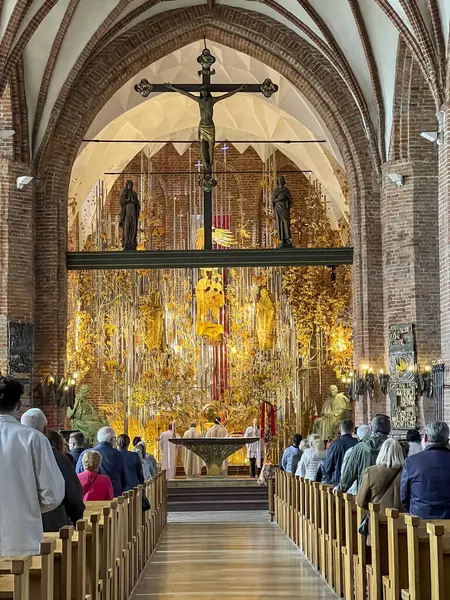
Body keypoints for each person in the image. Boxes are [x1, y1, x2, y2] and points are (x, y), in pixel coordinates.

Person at [0, 377, 65, 555]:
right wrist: (27, 504)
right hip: (21, 540)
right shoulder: (33, 438)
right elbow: (52, 495)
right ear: (19, 405)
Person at [21, 410, 84, 533]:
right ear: (45, 429)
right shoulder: (59, 458)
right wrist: (77, 518)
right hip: (54, 525)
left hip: (20, 527)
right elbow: (72, 492)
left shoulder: (12, 455)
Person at [401, 421, 450, 519]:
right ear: (447, 440)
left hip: (420, 521)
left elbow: (404, 497)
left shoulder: (411, 462)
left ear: (426, 438)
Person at [338, 414, 391, 493]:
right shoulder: (396, 447)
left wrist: (341, 488)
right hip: (390, 497)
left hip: (366, 495)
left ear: (371, 428)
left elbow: (349, 474)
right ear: (389, 429)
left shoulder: (359, 448)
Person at [76, 426, 131, 497]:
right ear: (112, 439)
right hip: (113, 498)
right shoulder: (119, 455)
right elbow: (126, 479)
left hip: (87, 499)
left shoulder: (85, 453)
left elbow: (78, 475)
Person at [356, 438, 404, 513]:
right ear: (400, 453)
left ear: (382, 452)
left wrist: (372, 508)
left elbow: (360, 501)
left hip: (378, 519)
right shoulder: (406, 472)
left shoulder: (371, 472)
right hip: (401, 520)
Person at [336, 424, 371, 494]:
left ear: (358, 437)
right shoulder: (382, 448)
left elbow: (346, 471)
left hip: (358, 489)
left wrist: (341, 487)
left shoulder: (353, 450)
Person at [322, 419, 358, 486]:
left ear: (340, 429)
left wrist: (329, 478)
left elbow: (328, 465)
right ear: (353, 429)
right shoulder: (358, 443)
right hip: (354, 482)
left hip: (338, 480)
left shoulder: (335, 444)